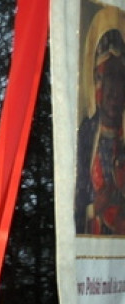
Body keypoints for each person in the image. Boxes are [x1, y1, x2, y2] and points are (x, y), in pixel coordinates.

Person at [75, 28, 125, 234]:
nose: (114, 91)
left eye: (120, 79)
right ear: (96, 82)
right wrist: (94, 208)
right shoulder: (86, 135)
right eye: (107, 78)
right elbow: (76, 204)